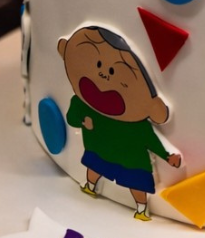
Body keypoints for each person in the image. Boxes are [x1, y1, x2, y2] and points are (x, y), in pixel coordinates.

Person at [58, 24, 182, 220]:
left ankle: (141, 208)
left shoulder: (137, 124)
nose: (103, 75)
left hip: (131, 159)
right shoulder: (82, 104)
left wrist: (166, 156)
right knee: (94, 165)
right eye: (99, 65)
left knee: (136, 182)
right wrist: (83, 120)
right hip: (99, 147)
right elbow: (72, 118)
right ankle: (90, 186)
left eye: (113, 71)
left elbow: (151, 140)